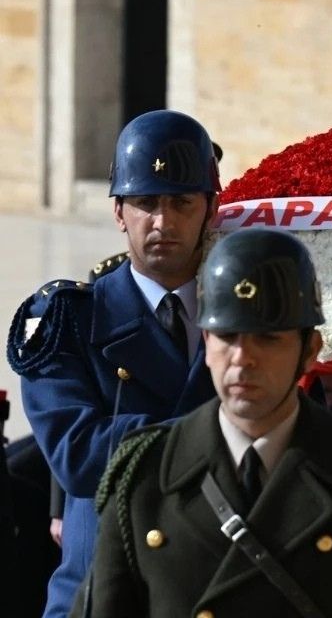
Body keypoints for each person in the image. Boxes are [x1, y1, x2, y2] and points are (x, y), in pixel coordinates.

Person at [76, 228, 332, 617]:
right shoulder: (145, 472)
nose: (242, 358)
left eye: (267, 338)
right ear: (206, 343)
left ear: (310, 350)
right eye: (226, 335)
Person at [7, 110, 221, 618]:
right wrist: (223, 435)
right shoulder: (66, 321)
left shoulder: (245, 318)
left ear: (211, 209)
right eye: (146, 202)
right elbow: (78, 455)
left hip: (214, 589)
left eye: (182, 203)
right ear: (119, 212)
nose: (163, 222)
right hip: (103, 594)